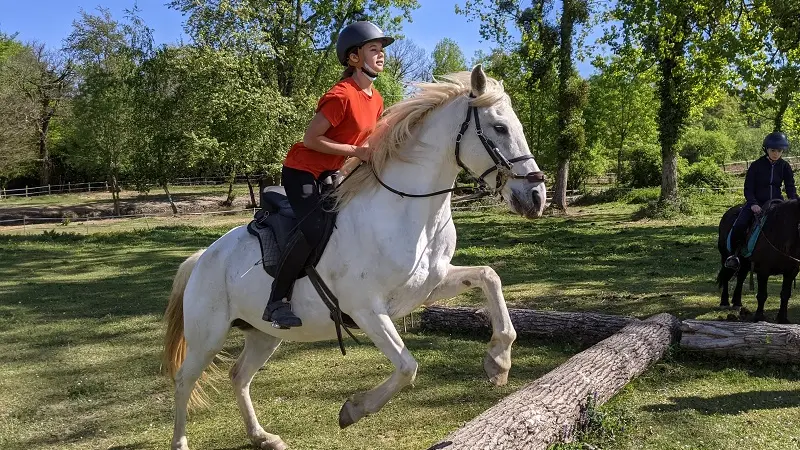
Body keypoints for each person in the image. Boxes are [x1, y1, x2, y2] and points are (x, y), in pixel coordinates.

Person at [262, 21, 394, 328]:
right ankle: (276, 301)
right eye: (373, 49)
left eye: (382, 50)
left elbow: (366, 142)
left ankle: (351, 296)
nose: (381, 55)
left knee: (352, 223)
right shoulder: (341, 95)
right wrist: (355, 152)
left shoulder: (376, 99)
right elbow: (311, 139)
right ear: (354, 58)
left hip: (330, 172)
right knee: (315, 230)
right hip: (302, 171)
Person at [725, 131, 796, 270]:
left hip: (776, 203)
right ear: (766, 150)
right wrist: (753, 204)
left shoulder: (785, 167)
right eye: (773, 150)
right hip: (756, 203)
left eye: (779, 151)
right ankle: (734, 256)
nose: (776, 153)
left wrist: (795, 203)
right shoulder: (756, 166)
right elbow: (748, 188)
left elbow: (790, 188)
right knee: (740, 224)